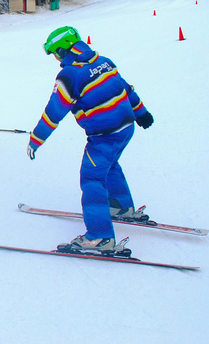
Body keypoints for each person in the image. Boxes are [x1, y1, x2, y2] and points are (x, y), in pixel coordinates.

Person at [27, 26, 154, 253]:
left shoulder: (70, 75)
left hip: (104, 135)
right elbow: (125, 88)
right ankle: (121, 206)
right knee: (111, 164)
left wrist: (36, 139)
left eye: (56, 53)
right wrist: (140, 111)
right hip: (126, 128)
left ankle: (100, 237)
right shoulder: (103, 61)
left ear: (64, 50)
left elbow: (54, 112)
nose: (56, 59)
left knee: (92, 179)